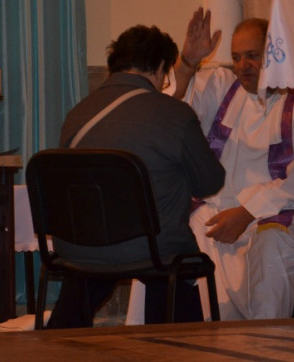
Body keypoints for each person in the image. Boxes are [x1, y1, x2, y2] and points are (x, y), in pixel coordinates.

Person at [46, 24, 226, 328]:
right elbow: (210, 182)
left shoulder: (78, 113)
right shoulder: (173, 113)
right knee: (170, 259)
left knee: (98, 260)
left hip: (77, 247)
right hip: (149, 248)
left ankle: (60, 336)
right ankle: (179, 343)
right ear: (159, 67)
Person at [170, 8, 294, 320]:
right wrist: (188, 61)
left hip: (286, 212)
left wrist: (247, 213)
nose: (243, 65)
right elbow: (173, 110)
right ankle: (219, 334)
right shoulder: (223, 87)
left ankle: (266, 337)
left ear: (276, 52)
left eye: (252, 55)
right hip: (224, 212)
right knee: (196, 224)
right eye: (237, 57)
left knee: (271, 242)